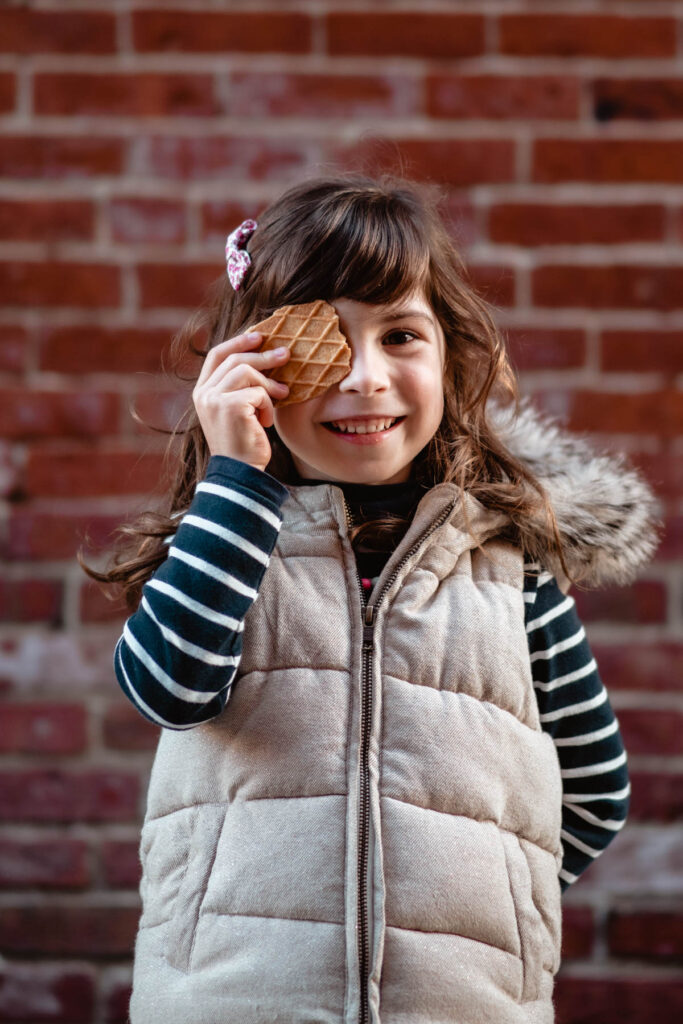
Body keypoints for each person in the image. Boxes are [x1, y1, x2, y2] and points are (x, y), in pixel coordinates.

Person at [83, 175, 659, 1024]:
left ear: (449, 353)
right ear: (249, 364)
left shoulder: (512, 570)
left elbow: (595, 789)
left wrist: (488, 910)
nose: (363, 376)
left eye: (399, 335)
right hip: (233, 1003)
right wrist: (235, 479)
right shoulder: (223, 545)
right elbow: (167, 687)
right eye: (325, 339)